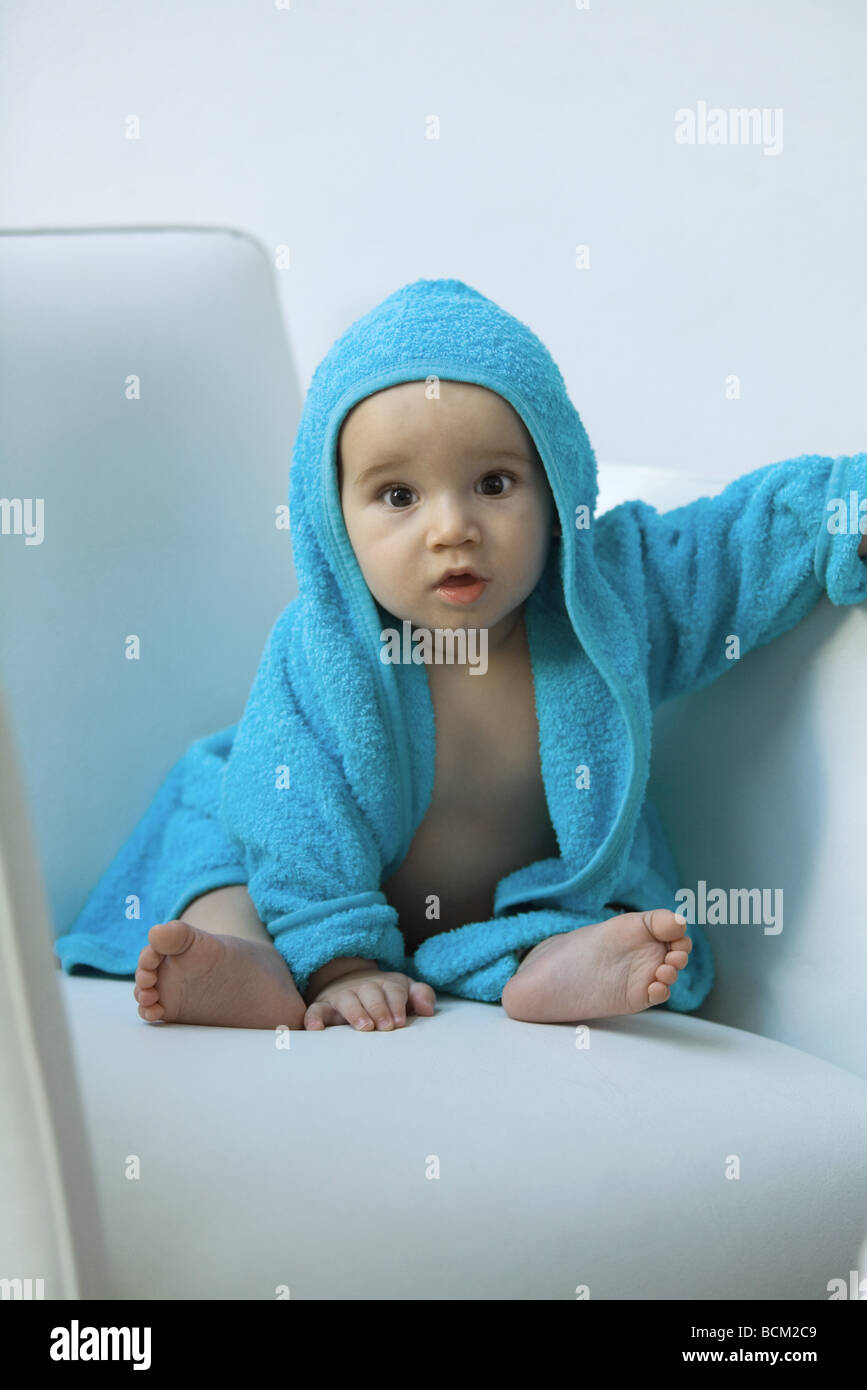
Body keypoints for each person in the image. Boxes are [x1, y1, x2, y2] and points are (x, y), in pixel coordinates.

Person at [53, 278, 867, 1032]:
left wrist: (840, 510)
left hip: (503, 896)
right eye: (398, 495)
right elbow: (293, 817)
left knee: (597, 906)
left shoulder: (608, 598)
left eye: (493, 483)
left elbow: (731, 547)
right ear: (333, 516)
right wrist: (340, 963)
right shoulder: (325, 655)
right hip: (298, 873)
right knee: (217, 857)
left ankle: (547, 963)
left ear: (556, 490)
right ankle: (251, 960)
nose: (452, 528)